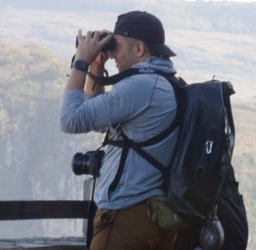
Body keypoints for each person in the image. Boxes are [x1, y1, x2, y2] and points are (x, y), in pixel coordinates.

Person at [59, 10, 180, 249]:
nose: (113, 54)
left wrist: (81, 62)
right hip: (150, 213)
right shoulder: (160, 82)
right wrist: (96, 65)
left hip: (125, 214)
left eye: (117, 45)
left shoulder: (141, 86)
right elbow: (100, 122)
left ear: (139, 49)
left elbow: (69, 120)